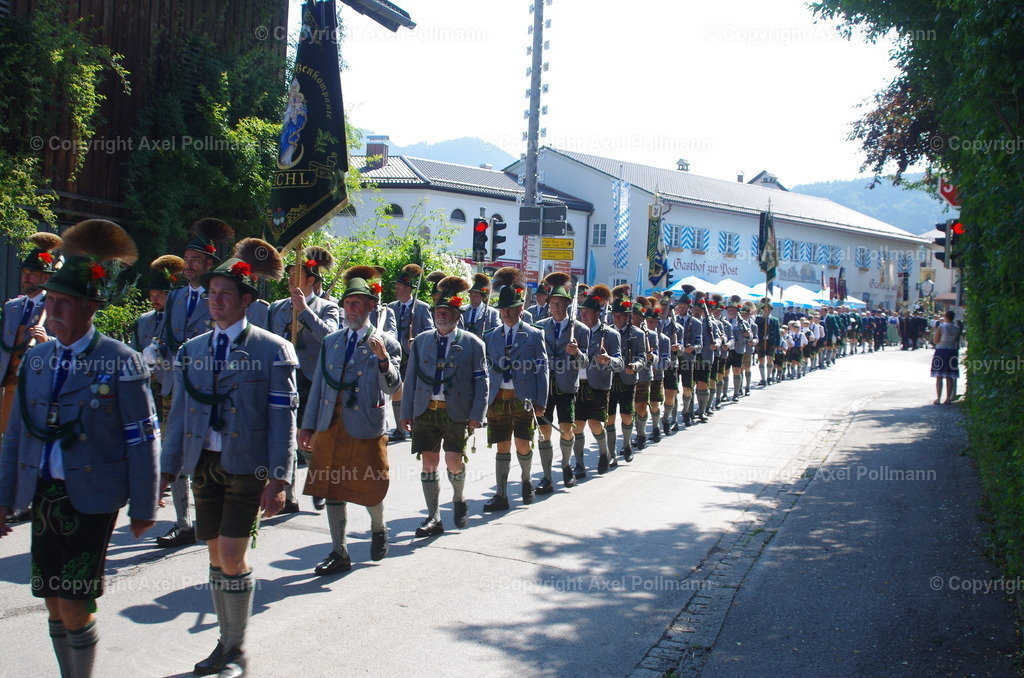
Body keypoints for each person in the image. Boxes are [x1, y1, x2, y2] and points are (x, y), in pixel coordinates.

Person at [0, 220, 159, 678]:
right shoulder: (37, 358)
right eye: (50, 301)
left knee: (74, 602)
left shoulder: (121, 359)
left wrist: (144, 506)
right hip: (44, 494)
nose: (52, 311)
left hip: (94, 495)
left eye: (64, 303)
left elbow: (142, 437)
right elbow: (17, 434)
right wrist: (4, 497)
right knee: (52, 600)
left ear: (90, 308)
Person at [161, 238, 297, 677]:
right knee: (215, 555)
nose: (215, 301)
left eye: (224, 294)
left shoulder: (272, 349)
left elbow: (282, 419)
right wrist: (166, 470)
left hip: (248, 466)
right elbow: (179, 416)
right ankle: (224, 641)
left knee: (233, 555)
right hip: (205, 465)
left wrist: (279, 478)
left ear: (245, 300)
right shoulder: (192, 350)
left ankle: (236, 650)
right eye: (211, 294)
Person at [300, 266, 402, 573]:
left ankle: (378, 528)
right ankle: (339, 551)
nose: (351, 308)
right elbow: (319, 385)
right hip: (331, 424)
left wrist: (383, 359)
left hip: (366, 425)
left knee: (370, 486)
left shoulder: (386, 342)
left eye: (357, 302)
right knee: (331, 488)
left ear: (371, 306)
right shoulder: (331, 341)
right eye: (347, 303)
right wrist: (308, 425)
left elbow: (393, 387)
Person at [155, 217, 235, 549]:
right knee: (174, 447)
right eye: (187, 259)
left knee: (205, 448)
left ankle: (214, 510)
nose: (188, 265)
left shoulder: (218, 297)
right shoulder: (175, 297)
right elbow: (165, 335)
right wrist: (155, 352)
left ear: (209, 264)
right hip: (174, 385)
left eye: (195, 260)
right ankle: (182, 521)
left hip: (206, 387)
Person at [400, 276, 486, 535]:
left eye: (447, 312)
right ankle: (433, 517)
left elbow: (481, 382)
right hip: (425, 410)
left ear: (458, 316)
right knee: (428, 463)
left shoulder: (473, 343)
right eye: (438, 311)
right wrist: (405, 412)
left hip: (456, 412)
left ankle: (459, 499)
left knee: (453, 461)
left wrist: (477, 414)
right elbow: (410, 379)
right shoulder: (422, 341)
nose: (442, 315)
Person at [268, 247, 340, 513]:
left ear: (310, 279)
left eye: (295, 274)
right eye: (288, 274)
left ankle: (320, 482)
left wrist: (305, 310)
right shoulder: (276, 308)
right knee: (284, 436)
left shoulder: (328, 307)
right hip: (282, 377)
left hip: (311, 379)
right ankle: (289, 496)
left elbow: (330, 338)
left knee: (308, 438)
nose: (289, 279)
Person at [482, 269, 548, 510]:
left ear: (521, 309)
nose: (507, 313)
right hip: (498, 398)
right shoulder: (490, 336)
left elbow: (542, 369)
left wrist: (541, 402)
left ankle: (526, 481)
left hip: (524, 399)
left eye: (511, 309)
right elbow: (484, 370)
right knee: (501, 444)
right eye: (503, 309)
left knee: (522, 442)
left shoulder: (534, 334)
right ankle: (501, 494)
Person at [1, 231, 60, 439]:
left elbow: (68, 344)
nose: (25, 278)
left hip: (36, 382)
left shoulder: (55, 307)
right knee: (6, 434)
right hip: (9, 382)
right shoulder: (12, 306)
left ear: (45, 277)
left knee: (29, 434)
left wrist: (46, 340)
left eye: (32, 273)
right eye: (24, 272)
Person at [534, 272, 588, 493]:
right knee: (543, 430)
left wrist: (576, 353)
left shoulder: (580, 329)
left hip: (566, 386)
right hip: (544, 386)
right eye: (553, 302)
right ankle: (546, 476)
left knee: (566, 429)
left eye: (559, 302)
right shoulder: (539, 327)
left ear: (567, 304)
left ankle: (566, 466)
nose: (556, 306)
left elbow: (586, 362)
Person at [571, 284, 621, 478]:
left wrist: (608, 360)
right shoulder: (575, 331)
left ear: (597, 313)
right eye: (581, 311)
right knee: (577, 426)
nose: (582, 315)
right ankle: (579, 464)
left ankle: (604, 453)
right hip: (577, 385)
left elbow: (620, 362)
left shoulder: (610, 334)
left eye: (587, 312)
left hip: (598, 385)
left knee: (595, 424)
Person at [387, 264, 433, 443]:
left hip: (414, 355)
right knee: (396, 389)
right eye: (396, 287)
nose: (396, 291)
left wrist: (417, 339)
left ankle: (415, 427)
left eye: (399, 288)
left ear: (408, 289)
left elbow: (430, 330)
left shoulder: (421, 307)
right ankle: (399, 429)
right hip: (396, 354)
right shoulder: (391, 307)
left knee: (414, 391)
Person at [606, 287, 646, 463]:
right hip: (609, 379)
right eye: (615, 315)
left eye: (621, 315)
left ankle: (627, 444)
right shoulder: (606, 332)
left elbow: (642, 356)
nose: (617, 318)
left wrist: (635, 366)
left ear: (628, 316)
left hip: (627, 379)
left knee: (627, 415)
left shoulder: (637, 333)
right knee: (609, 417)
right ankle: (611, 452)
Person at [931, 310, 962, 404]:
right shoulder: (957, 328)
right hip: (952, 351)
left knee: (939, 375)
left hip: (941, 350)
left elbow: (935, 340)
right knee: (950, 376)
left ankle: (938, 398)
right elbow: (956, 341)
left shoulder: (941, 327)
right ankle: (948, 398)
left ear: (946, 317)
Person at [460, 273, 499, 337]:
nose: (473, 297)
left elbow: (497, 330)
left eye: (476, 294)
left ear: (482, 296)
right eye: (471, 294)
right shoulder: (461, 310)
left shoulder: (492, 312)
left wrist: (486, 336)